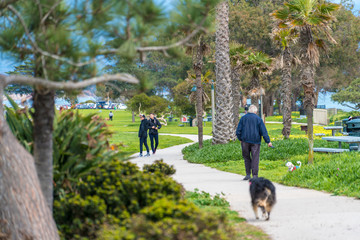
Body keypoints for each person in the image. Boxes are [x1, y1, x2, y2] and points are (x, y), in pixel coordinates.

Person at [236, 105, 272, 180]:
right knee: (255, 158)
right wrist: (268, 141)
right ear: (255, 111)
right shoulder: (258, 119)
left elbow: (238, 131)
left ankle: (248, 174)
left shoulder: (243, 118)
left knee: (246, 158)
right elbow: (263, 131)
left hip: (245, 141)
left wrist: (240, 139)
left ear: (249, 110)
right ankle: (255, 175)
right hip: (255, 142)